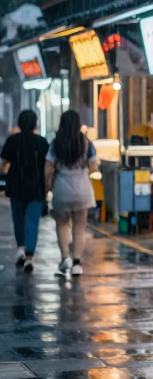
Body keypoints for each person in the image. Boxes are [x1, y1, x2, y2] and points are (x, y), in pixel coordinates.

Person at [44, 110, 98, 276]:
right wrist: (84, 172)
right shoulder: (86, 143)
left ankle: (64, 258)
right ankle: (76, 263)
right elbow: (94, 167)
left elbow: (48, 168)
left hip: (62, 187)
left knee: (61, 224)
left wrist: (47, 186)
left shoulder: (56, 143)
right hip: (82, 187)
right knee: (79, 227)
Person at [0, 109, 49, 271]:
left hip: (16, 185)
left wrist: (4, 171)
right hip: (36, 186)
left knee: (18, 219)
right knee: (32, 221)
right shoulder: (42, 142)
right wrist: (47, 185)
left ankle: (20, 248)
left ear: (19, 123)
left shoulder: (12, 141)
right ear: (35, 123)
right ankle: (29, 257)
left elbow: (3, 163)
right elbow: (48, 165)